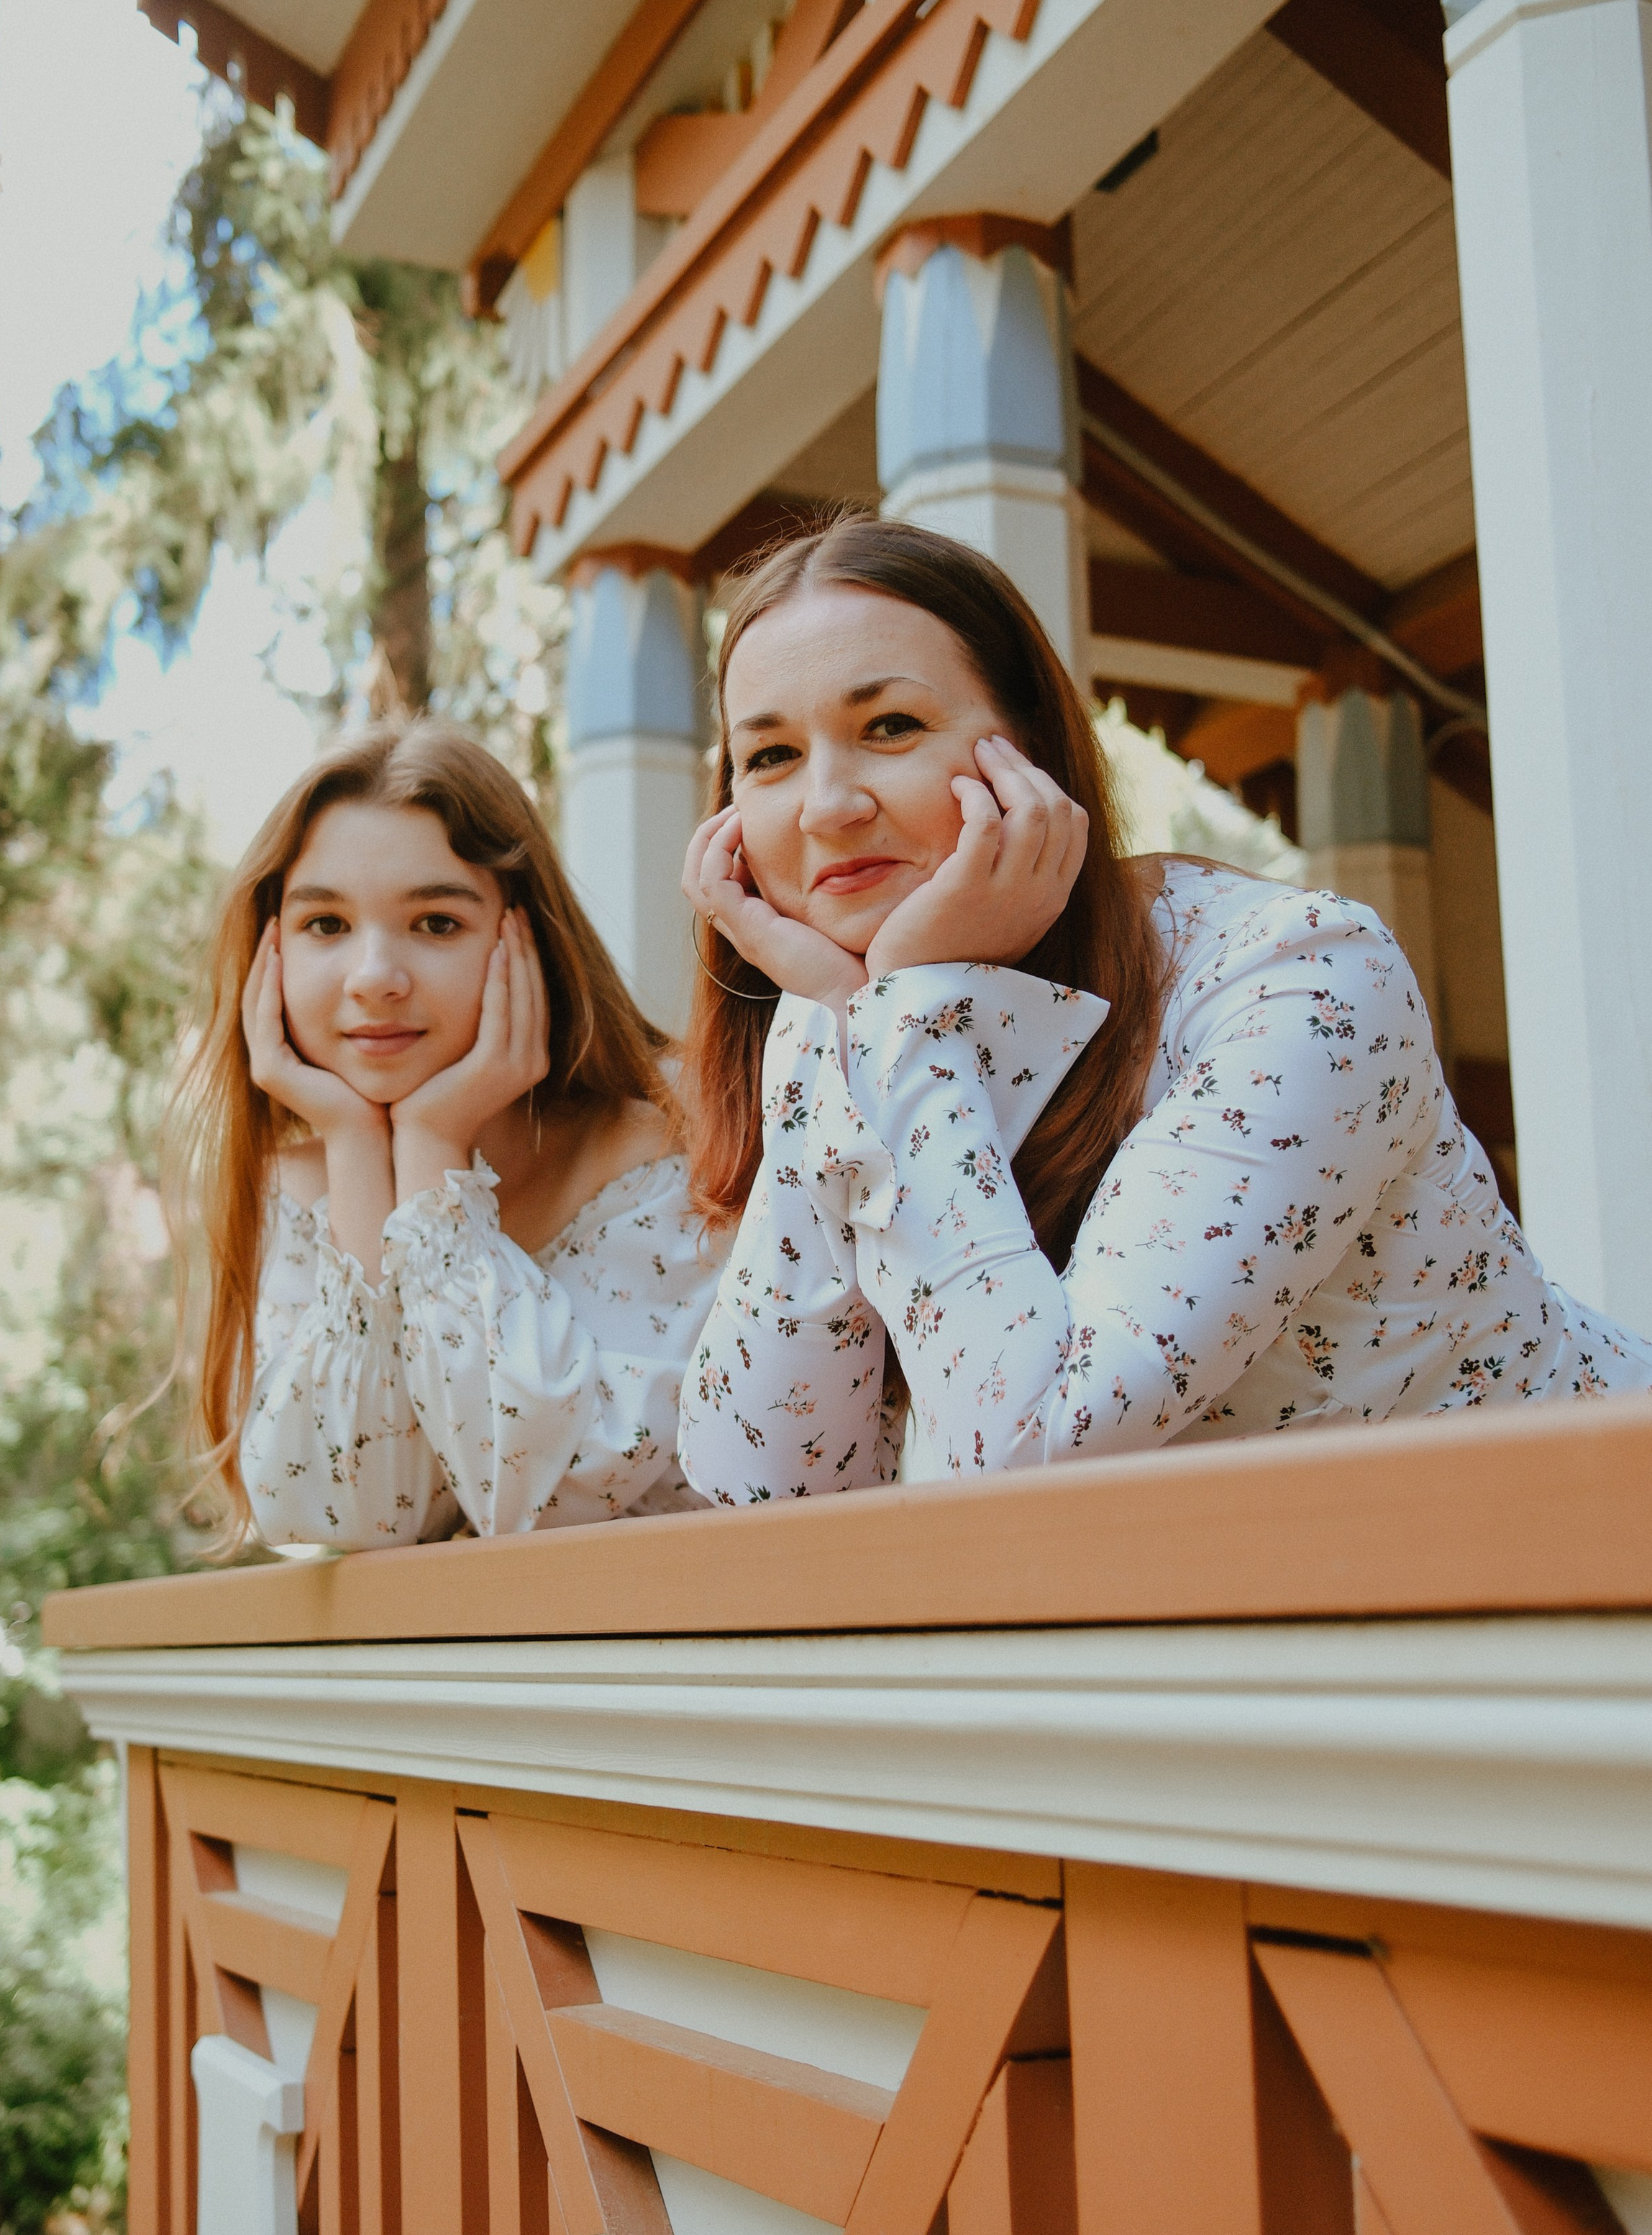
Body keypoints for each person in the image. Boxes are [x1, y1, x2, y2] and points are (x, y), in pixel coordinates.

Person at [675, 518, 1651, 1503]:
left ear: (1031, 754)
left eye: (891, 727)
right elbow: (762, 1487)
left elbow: (1027, 1455)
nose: (827, 806)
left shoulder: (1297, 979)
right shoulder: (847, 1017)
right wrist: (863, 1015)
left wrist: (896, 1014)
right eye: (770, 757)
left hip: (1589, 1562)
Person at [165, 717, 721, 1551]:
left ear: (526, 938)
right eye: (326, 925)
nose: (375, 979)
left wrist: (430, 1154)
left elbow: (550, 1494)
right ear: (266, 953)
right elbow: (354, 1516)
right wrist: (359, 1151)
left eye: (435, 924)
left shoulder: (665, 1157)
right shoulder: (292, 1186)